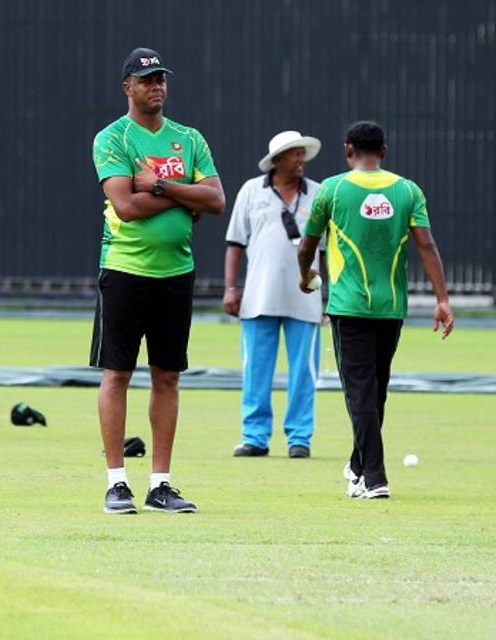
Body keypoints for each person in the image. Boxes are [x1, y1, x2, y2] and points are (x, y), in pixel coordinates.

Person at [91, 47, 225, 514]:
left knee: (167, 375)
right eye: (147, 80)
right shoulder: (113, 138)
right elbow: (125, 207)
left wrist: (162, 186)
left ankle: (161, 485)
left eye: (161, 79)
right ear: (127, 87)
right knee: (118, 373)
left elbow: (216, 200)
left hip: (176, 273)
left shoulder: (188, 139)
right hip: (125, 270)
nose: (157, 87)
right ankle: (116, 483)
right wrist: (187, 197)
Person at [297, 121, 453, 499]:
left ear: (347, 149)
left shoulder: (331, 190)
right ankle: (358, 465)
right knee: (375, 390)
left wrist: (305, 275)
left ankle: (375, 478)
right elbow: (427, 247)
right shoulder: (407, 191)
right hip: (391, 307)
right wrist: (442, 299)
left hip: (349, 307)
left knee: (361, 393)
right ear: (384, 151)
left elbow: (307, 245)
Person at [224, 130, 326, 459]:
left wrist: (331, 296)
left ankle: (300, 437)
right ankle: (254, 436)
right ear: (277, 159)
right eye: (294, 154)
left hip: (305, 298)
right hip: (259, 296)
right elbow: (235, 243)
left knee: (303, 373)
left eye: (301, 153)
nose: (300, 159)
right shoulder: (252, 191)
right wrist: (230, 289)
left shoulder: (320, 194)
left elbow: (329, 251)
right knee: (255, 369)